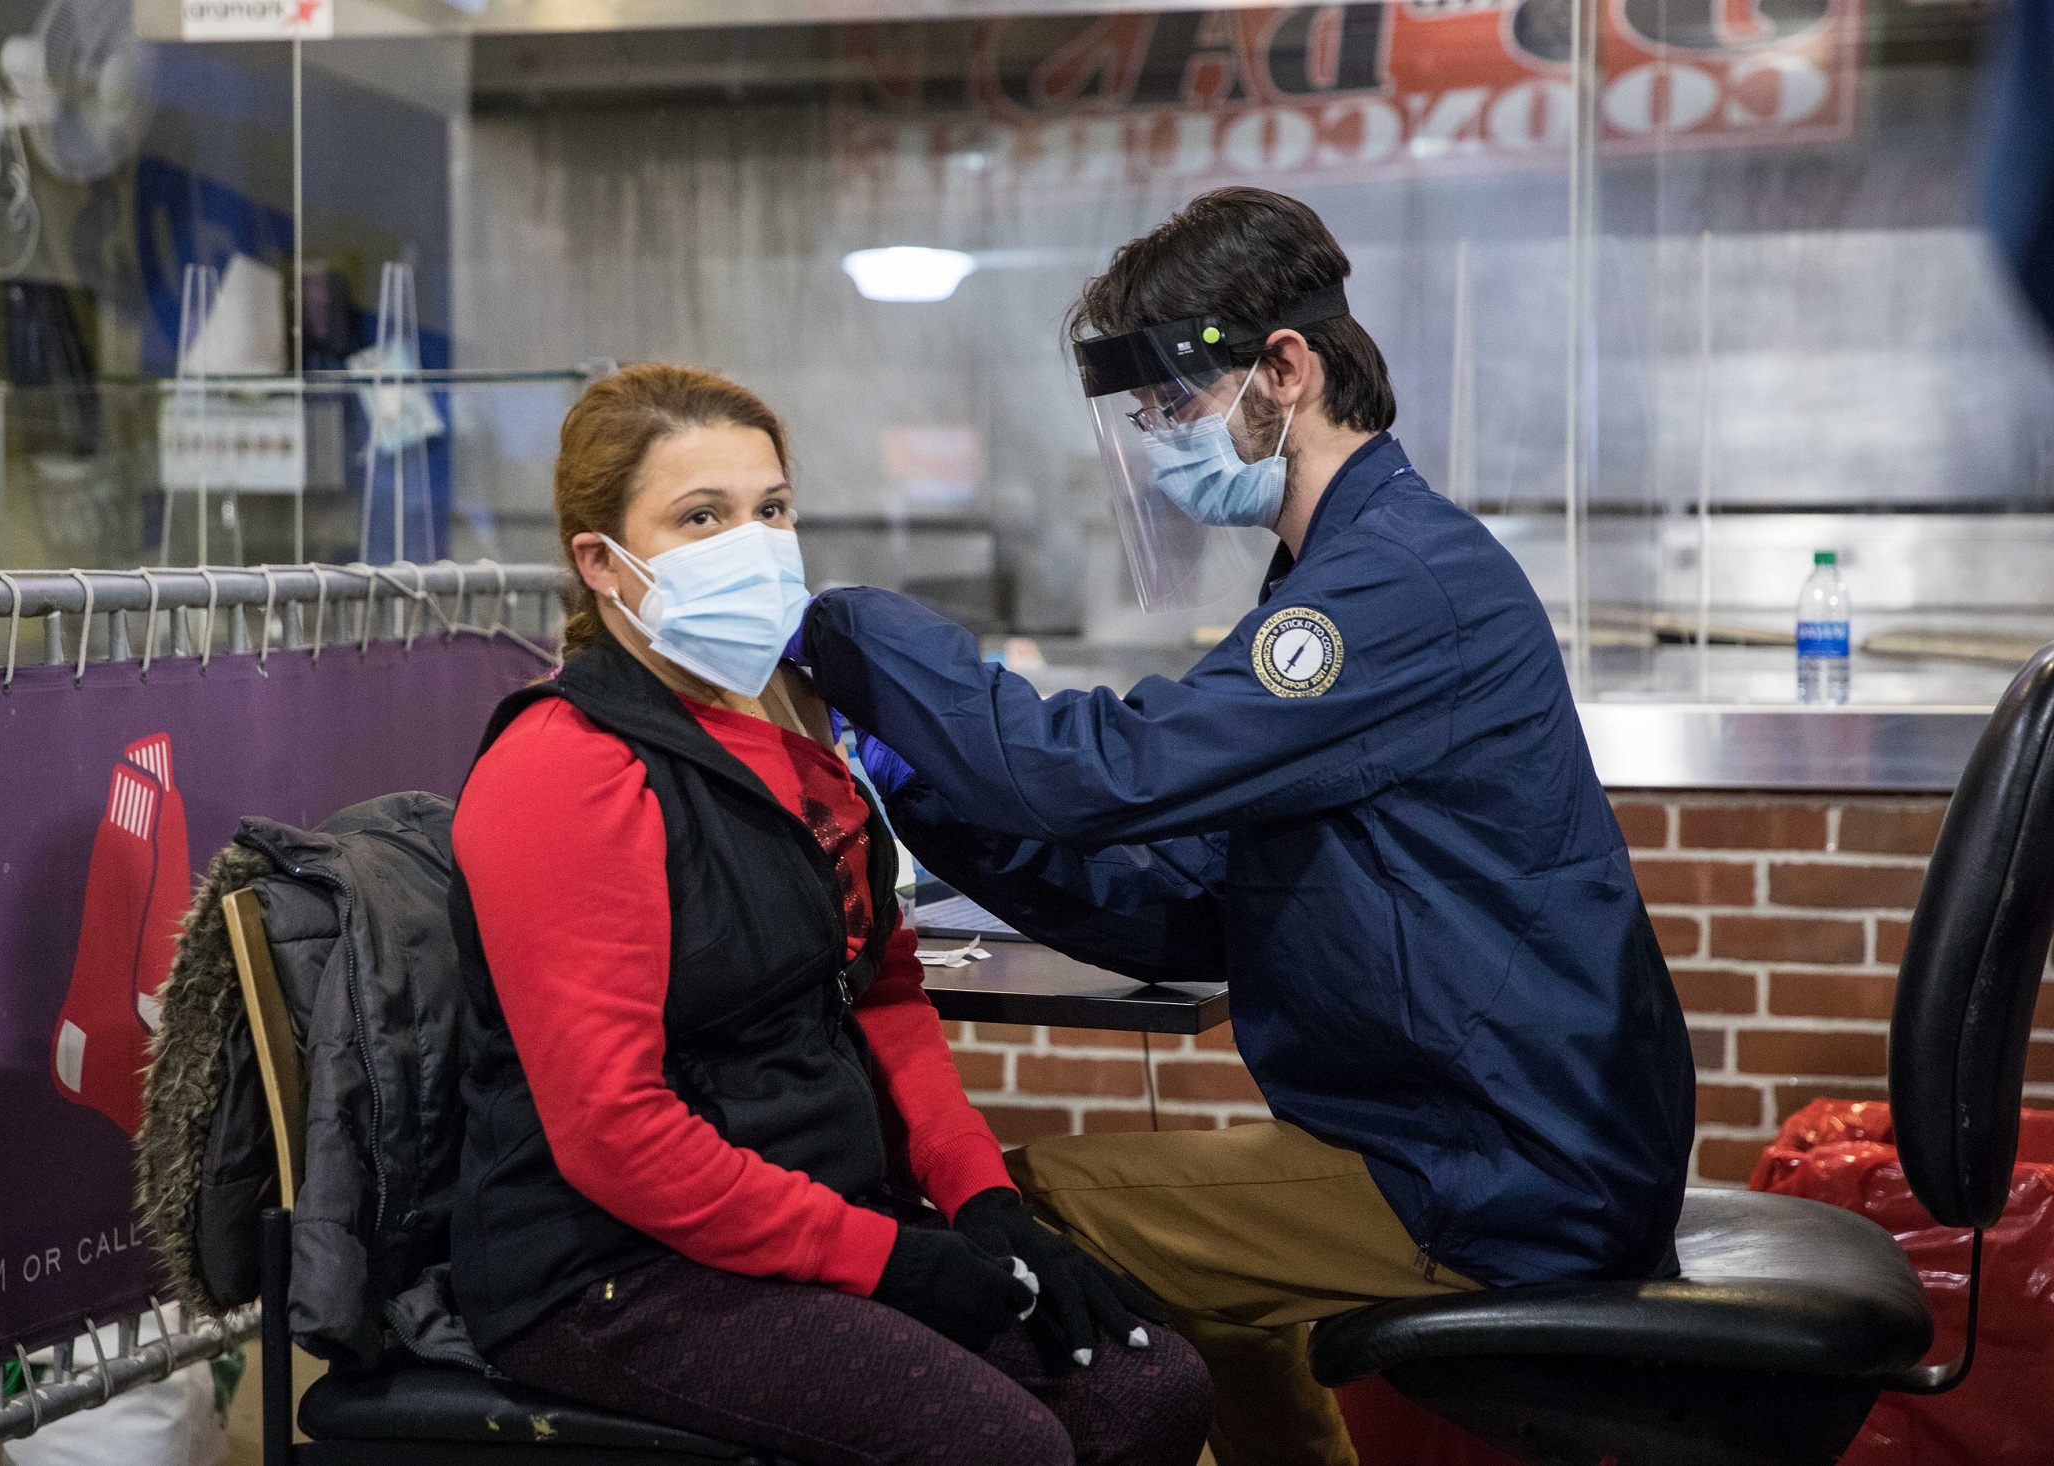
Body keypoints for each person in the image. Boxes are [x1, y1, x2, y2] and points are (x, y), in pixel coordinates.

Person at [790, 190, 1696, 1466]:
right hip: (1479, 1134)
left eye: (1174, 405)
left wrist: (846, 633)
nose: (1163, 442)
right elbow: (1179, 899)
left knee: (1030, 1216)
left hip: (1498, 1169)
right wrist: (927, 791)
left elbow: (1106, 773)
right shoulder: (1343, 571)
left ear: (1284, 367)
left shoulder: (1389, 588)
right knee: (1193, 1273)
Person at [445, 363, 1213, 1466]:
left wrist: (980, 1194)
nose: (751, 543)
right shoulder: (564, 771)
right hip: (615, 1270)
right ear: (601, 563)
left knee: (1148, 1387)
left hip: (816, 1214)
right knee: (993, 1444)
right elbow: (616, 1133)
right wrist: (889, 1259)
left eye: (769, 509)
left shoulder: (799, 735)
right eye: (699, 516)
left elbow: (885, 993)